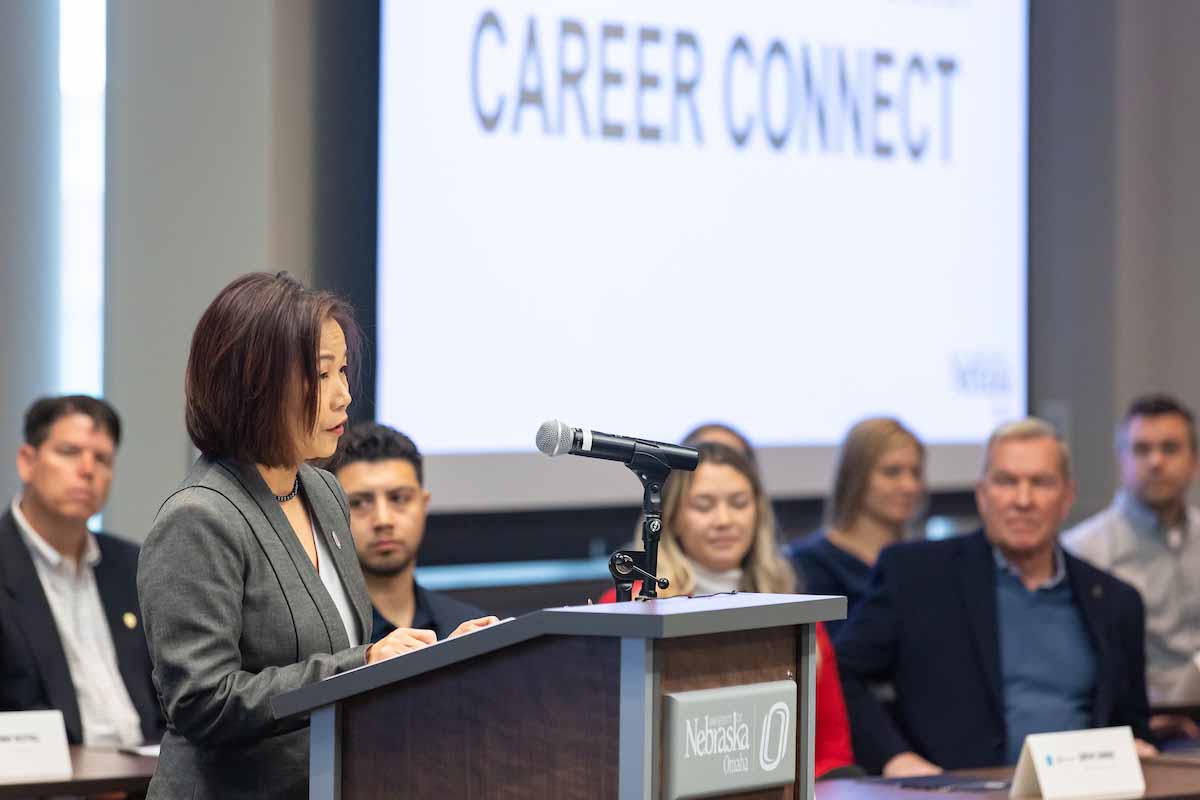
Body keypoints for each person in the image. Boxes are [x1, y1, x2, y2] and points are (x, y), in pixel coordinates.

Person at [137, 273, 496, 799]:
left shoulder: (323, 491)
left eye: (344, 370)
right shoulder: (200, 518)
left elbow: (343, 662)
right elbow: (202, 702)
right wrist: (363, 662)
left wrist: (433, 661)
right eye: (322, 374)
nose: (344, 395)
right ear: (254, 386)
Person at [836, 418, 1154, 776]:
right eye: (1006, 481)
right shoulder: (916, 576)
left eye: (1041, 482)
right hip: (956, 792)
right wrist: (895, 759)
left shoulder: (1115, 602)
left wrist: (1132, 749)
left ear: (1067, 497)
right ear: (982, 494)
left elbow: (1132, 725)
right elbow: (840, 674)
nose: (1023, 500)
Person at [599, 442, 855, 778]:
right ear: (669, 517)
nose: (724, 520)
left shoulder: (793, 609)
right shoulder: (628, 604)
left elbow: (832, 753)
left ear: (758, 513)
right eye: (704, 506)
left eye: (739, 503)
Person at [0, 395, 163, 746]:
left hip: (147, 781)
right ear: (27, 461)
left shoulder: (132, 564)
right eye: (70, 452)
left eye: (102, 458)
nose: (88, 469)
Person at [1064, 394, 1200, 734]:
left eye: (1170, 448)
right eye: (1141, 449)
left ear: (1194, 460)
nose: (1155, 461)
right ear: (1121, 459)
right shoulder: (1083, 550)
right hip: (1131, 723)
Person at [330, 423, 485, 641]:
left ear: (423, 504)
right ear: (330, 511)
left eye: (399, 498)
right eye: (359, 503)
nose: (383, 520)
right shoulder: (320, 642)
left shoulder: (468, 627)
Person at [786, 417, 925, 635]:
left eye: (915, 473)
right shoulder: (808, 564)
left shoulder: (920, 560)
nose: (909, 486)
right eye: (892, 472)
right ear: (856, 476)